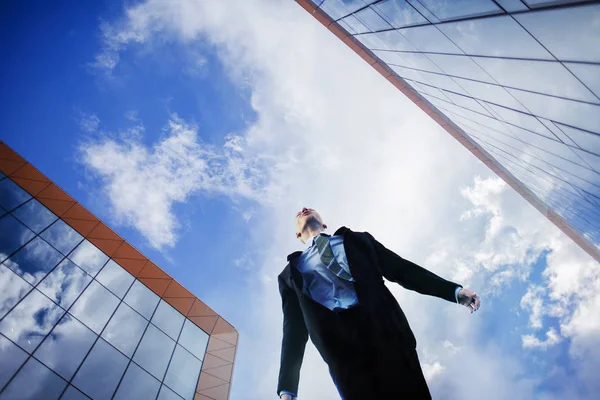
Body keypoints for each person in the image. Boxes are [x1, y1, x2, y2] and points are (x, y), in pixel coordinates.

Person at [277, 208, 481, 400]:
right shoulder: (289, 275)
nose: (304, 209)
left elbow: (402, 270)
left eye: (310, 209)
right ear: (297, 235)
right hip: (344, 355)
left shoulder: (358, 240)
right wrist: (287, 389)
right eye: (298, 214)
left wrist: (454, 292)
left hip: (387, 333)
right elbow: (294, 330)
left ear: (324, 225)